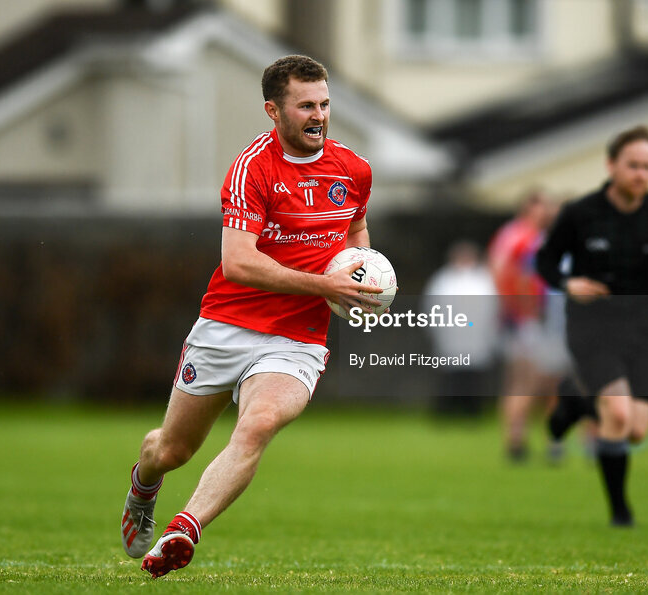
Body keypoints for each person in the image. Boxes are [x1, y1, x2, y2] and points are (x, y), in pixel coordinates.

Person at [119, 55, 383, 578]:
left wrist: (361, 281)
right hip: (227, 326)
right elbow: (238, 263)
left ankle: (184, 528)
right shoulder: (252, 169)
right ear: (274, 110)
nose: (319, 115)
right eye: (306, 105)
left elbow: (355, 233)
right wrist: (324, 284)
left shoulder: (353, 170)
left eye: (325, 104)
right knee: (172, 449)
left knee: (258, 423)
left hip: (298, 337)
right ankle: (143, 486)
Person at [535, 125, 648, 527]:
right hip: (591, 327)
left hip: (641, 328)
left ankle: (575, 402)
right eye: (633, 165)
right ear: (611, 165)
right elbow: (545, 260)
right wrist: (566, 283)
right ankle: (620, 513)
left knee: (637, 430)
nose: (641, 174)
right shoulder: (581, 214)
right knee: (620, 415)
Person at [487, 191, 569, 462]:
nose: (547, 212)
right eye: (543, 207)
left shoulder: (508, 235)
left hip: (512, 317)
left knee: (520, 381)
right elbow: (523, 278)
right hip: (527, 320)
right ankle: (525, 442)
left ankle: (519, 441)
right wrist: (530, 314)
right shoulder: (527, 239)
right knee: (536, 381)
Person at [422, 240, 499, 416]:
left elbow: (492, 307)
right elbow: (432, 306)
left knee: (473, 376)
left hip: (476, 337)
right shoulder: (443, 280)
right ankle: (446, 410)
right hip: (451, 336)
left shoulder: (483, 280)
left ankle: (472, 410)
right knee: (451, 375)